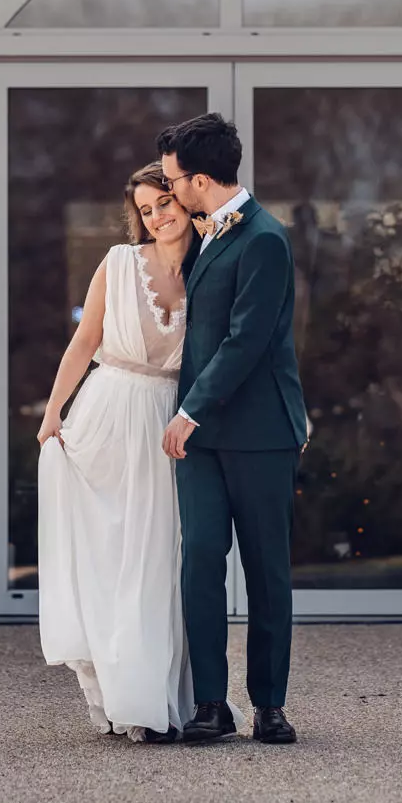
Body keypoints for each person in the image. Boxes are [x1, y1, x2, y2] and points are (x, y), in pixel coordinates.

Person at [158, 113, 309, 746]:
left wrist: (189, 410)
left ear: (199, 178)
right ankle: (212, 704)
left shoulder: (266, 238)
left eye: (173, 181)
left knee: (268, 567)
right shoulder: (207, 235)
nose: (168, 191)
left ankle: (270, 706)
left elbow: (248, 340)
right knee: (200, 561)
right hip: (202, 437)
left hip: (258, 431)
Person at [35, 163, 196, 743]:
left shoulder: (212, 267)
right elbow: (85, 340)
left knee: (154, 565)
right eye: (146, 210)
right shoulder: (118, 262)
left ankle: (151, 700)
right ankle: (117, 698)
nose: (156, 217)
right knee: (107, 557)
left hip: (165, 425)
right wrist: (54, 412)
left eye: (163, 203)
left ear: (183, 197)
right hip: (106, 415)